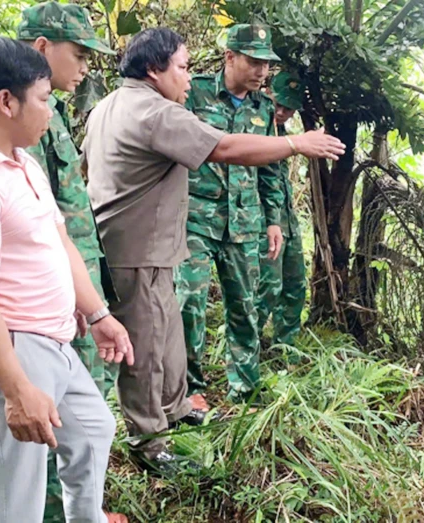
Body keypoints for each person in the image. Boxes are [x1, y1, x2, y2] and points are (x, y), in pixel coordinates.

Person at [83, 27, 344, 474]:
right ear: (153, 69)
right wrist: (295, 143)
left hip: (149, 246)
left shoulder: (108, 103)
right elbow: (221, 147)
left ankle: (176, 407)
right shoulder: (155, 112)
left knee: (166, 337)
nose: (188, 78)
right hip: (138, 248)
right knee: (144, 349)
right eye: (182, 68)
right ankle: (149, 441)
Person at [0, 36, 134, 523]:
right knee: (12, 495)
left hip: (53, 341)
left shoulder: (22, 162)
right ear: (6, 101)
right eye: (42, 98)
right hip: (13, 350)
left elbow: (60, 245)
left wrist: (98, 313)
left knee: (93, 430)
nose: (49, 109)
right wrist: (16, 391)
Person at [16, 3, 125, 522]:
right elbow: (34, 226)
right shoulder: (19, 115)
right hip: (47, 295)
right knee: (57, 413)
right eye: (78, 55)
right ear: (42, 48)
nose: (85, 68)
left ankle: (80, 511)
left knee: (87, 415)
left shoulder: (50, 107)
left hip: (73, 281)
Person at [175, 23, 286, 412]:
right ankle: (188, 387)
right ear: (230, 57)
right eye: (254, 62)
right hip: (196, 218)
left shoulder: (264, 107)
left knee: (245, 304)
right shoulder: (196, 92)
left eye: (266, 64)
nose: (261, 72)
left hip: (244, 221)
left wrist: (274, 220)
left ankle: (245, 386)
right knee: (190, 301)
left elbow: (271, 168)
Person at [255, 71, 307, 350]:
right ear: (267, 94)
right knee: (267, 286)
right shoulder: (253, 128)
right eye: (278, 104)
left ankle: (285, 347)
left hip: (287, 218)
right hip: (263, 220)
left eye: (289, 108)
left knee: (295, 283)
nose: (282, 112)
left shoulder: (282, 132)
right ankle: (246, 346)